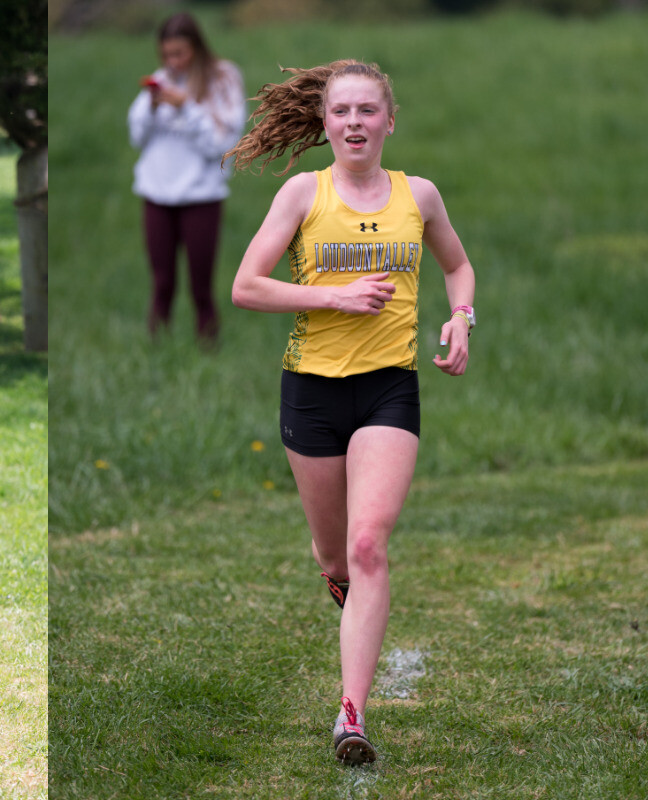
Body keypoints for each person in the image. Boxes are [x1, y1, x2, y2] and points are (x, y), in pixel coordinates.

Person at [227, 60, 475, 765]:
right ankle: (339, 579)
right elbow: (246, 286)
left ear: (390, 121)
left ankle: (351, 714)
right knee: (335, 552)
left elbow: (458, 265)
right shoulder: (304, 195)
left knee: (370, 544)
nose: (356, 122)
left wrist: (462, 317)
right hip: (312, 390)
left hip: (389, 388)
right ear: (326, 123)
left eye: (369, 111)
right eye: (343, 112)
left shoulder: (417, 195)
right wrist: (333, 296)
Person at [128, 12, 245, 347]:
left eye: (179, 53)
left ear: (197, 47)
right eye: (166, 55)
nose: (172, 62)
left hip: (201, 195)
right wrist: (152, 107)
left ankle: (208, 354)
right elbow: (136, 137)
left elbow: (221, 145)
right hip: (156, 193)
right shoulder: (162, 79)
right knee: (162, 284)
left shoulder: (223, 78)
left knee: (201, 287)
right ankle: (156, 354)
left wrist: (186, 108)